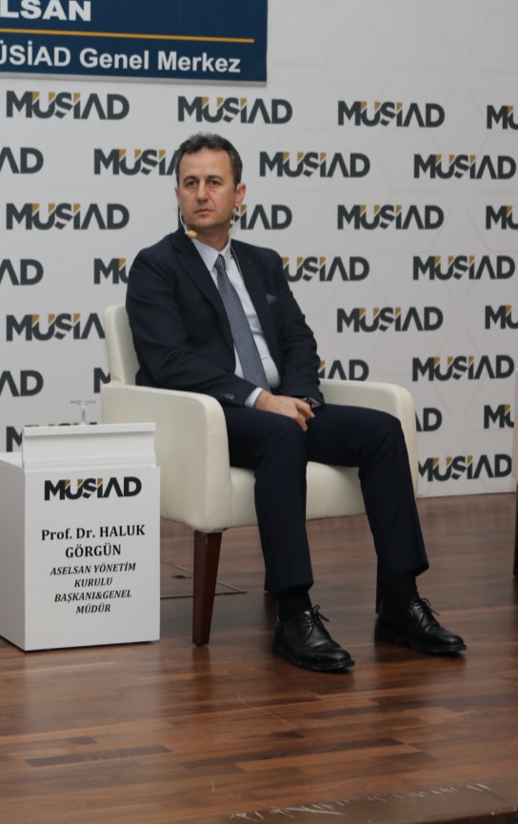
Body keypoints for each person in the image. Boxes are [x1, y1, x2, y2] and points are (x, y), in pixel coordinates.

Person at [125, 132, 464, 671]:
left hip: (282, 407)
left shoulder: (262, 263)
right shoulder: (155, 266)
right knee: (281, 433)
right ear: (177, 194)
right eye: (190, 183)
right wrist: (260, 399)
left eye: (214, 181)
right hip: (211, 417)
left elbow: (299, 339)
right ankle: (293, 614)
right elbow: (170, 362)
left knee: (381, 430)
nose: (202, 193)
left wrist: (300, 396)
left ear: (239, 194)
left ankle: (401, 601)